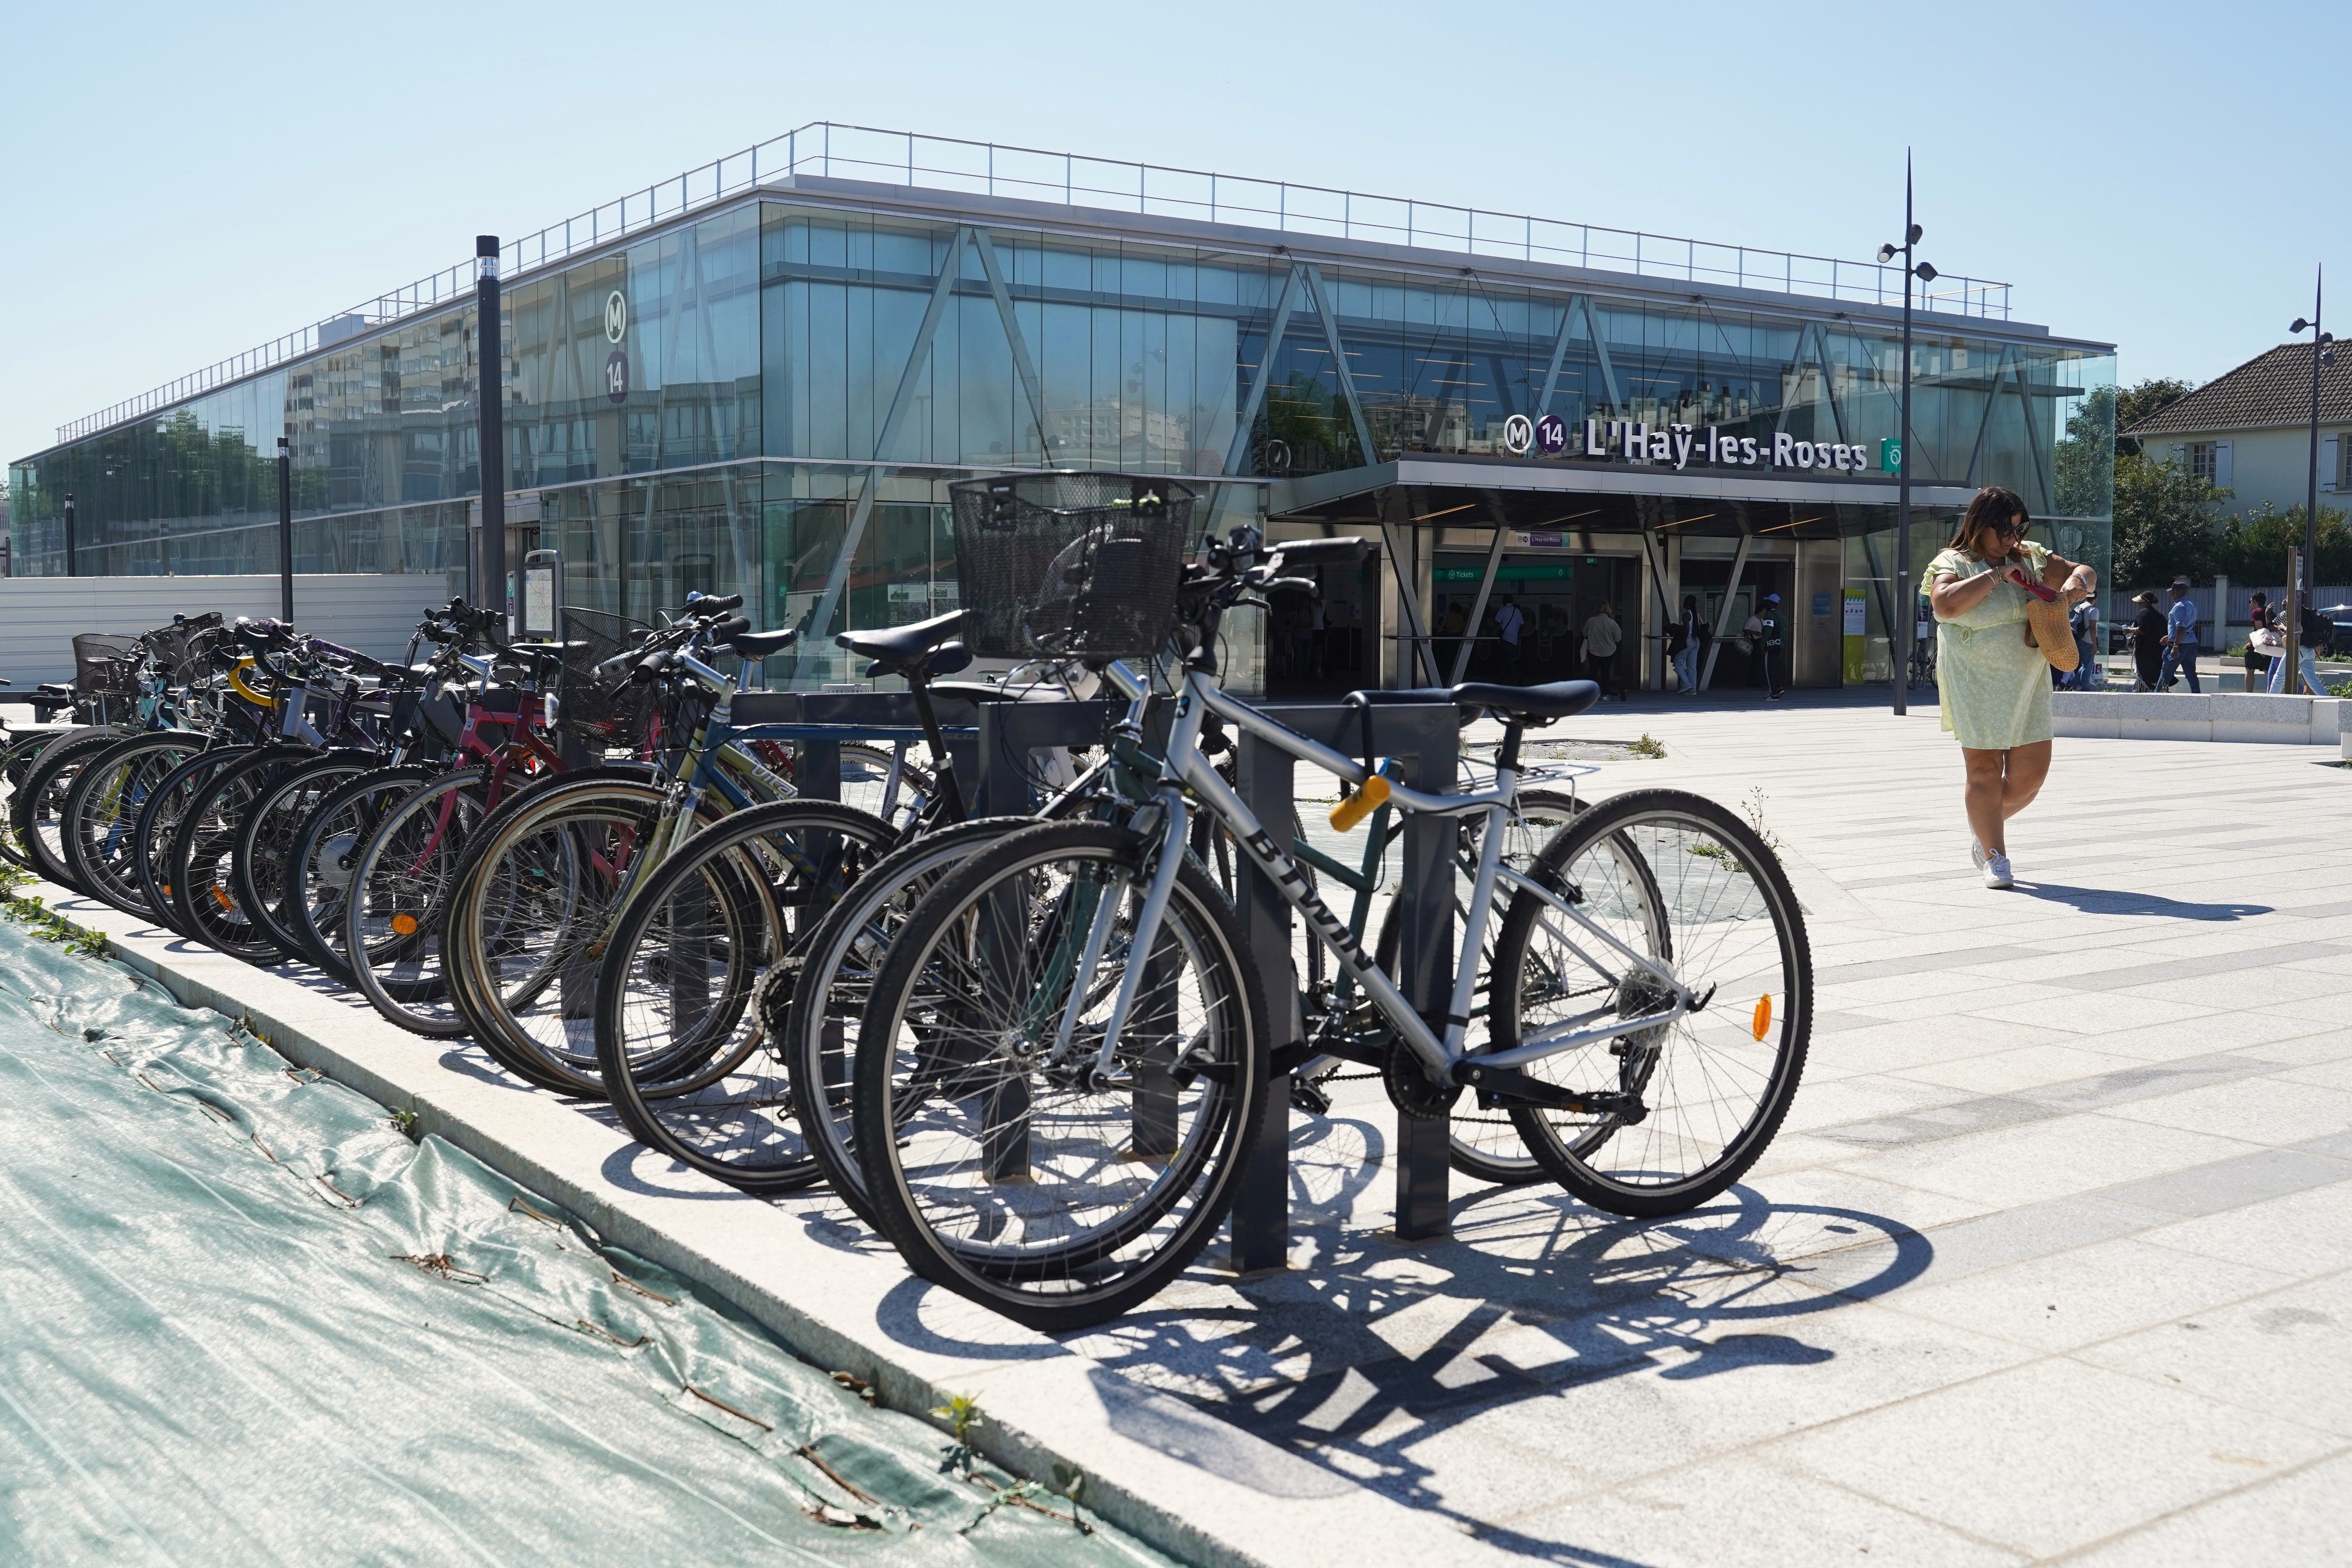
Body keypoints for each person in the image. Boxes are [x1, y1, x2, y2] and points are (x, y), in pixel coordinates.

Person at [1926, 485, 2097, 890]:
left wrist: (2075, 586)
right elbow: (1944, 605)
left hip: (2027, 682)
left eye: (2019, 529)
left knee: (2029, 779)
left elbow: (2086, 570)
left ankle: (1982, 828)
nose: (2012, 539)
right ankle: (1995, 856)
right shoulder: (1955, 561)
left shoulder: (2031, 557)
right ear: (1980, 525)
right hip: (1976, 680)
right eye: (2005, 530)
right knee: (1984, 768)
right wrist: (1998, 574)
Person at [2267, 589, 2332, 695]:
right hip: (2309, 650)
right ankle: (2330, 702)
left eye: (2288, 596)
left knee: (2279, 677)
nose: (2286, 599)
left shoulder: (2295, 612)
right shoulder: (2307, 612)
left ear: (2293, 598)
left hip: (2298, 649)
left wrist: (2285, 634)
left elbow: (2299, 630)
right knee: (2313, 682)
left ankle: (2269, 703)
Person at [2157, 579, 2201, 692]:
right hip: (2191, 643)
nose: (2171, 594)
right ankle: (2198, 697)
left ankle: (2156, 698)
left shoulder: (2179, 607)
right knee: (2191, 674)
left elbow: (2181, 627)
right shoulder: (2191, 605)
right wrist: (2170, 636)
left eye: (2172, 592)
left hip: (2180, 645)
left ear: (2176, 592)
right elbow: (2186, 628)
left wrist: (2175, 646)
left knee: (2166, 673)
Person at [1581, 601, 1625, 700]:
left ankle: (1590, 695)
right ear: (1608, 610)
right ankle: (1605, 694)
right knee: (1605, 673)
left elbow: (1585, 633)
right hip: (1608, 652)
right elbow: (1618, 638)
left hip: (1593, 651)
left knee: (1593, 672)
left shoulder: (1591, 621)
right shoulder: (1612, 623)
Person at [2130, 590, 2167, 691]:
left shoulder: (2144, 613)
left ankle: (2144, 692)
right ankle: (2155, 690)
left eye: (2140, 603)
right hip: (2158, 650)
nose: (2139, 605)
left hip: (2144, 650)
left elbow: (2143, 629)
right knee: (2155, 673)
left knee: (2143, 674)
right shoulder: (2160, 615)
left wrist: (2130, 631)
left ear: (2145, 602)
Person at [1673, 594, 1708, 695]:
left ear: (1687, 603)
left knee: (1678, 663)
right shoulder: (1696, 614)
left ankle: (1687, 684)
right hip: (1696, 640)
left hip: (1688, 639)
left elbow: (1687, 630)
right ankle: (1693, 689)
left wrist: (1677, 630)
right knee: (1692, 665)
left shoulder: (1686, 615)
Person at [2245, 591, 2276, 692]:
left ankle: (2249, 694)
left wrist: (2262, 649)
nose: (2250, 604)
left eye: (2250, 602)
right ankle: (2271, 693)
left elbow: (2260, 631)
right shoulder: (2271, 612)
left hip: (2260, 646)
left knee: (2250, 669)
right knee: (2268, 671)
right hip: (2271, 645)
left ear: (2255, 602)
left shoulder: (2256, 613)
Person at [2066, 595, 2099, 689]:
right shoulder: (2093, 610)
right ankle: (2086, 689)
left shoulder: (2079, 607)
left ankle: (2071, 686)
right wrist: (2095, 644)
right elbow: (2093, 628)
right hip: (2088, 640)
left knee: (2084, 665)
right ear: (2096, 599)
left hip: (2077, 638)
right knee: (2088, 666)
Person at [1758, 593, 1788, 698]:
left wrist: (1762, 644)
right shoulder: (1782, 615)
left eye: (1768, 602)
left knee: (1768, 669)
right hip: (1780, 645)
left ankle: (1773, 693)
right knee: (1773, 667)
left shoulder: (1769, 615)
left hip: (1770, 645)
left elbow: (1768, 631)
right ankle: (1778, 688)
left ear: (1770, 603)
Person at [1494, 595, 1526, 675]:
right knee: (1507, 659)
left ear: (1505, 601)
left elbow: (1497, 622)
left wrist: (1500, 628)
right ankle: (1503, 678)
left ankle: (1518, 676)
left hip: (1505, 639)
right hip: (1514, 640)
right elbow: (1522, 625)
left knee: (1505, 659)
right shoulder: (1517, 611)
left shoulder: (1503, 610)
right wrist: (1517, 635)